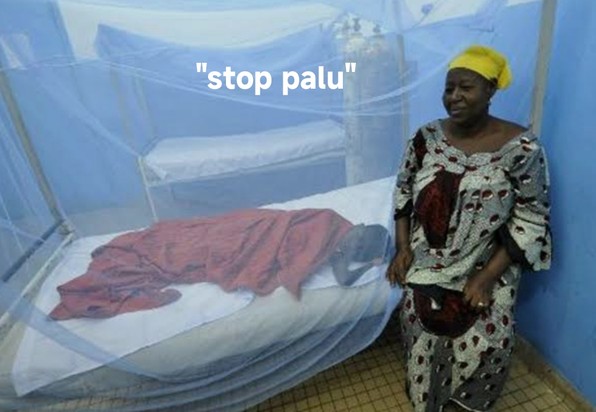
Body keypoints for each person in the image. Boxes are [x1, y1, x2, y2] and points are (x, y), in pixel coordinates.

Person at [386, 45, 552, 411]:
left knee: (491, 339)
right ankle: (427, 401)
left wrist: (487, 278)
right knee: (417, 320)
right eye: (449, 89)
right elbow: (403, 191)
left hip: (488, 261)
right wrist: (403, 248)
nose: (454, 97)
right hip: (429, 257)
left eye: (466, 87)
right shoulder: (426, 138)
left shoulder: (522, 148)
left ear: (490, 90)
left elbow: (531, 217)